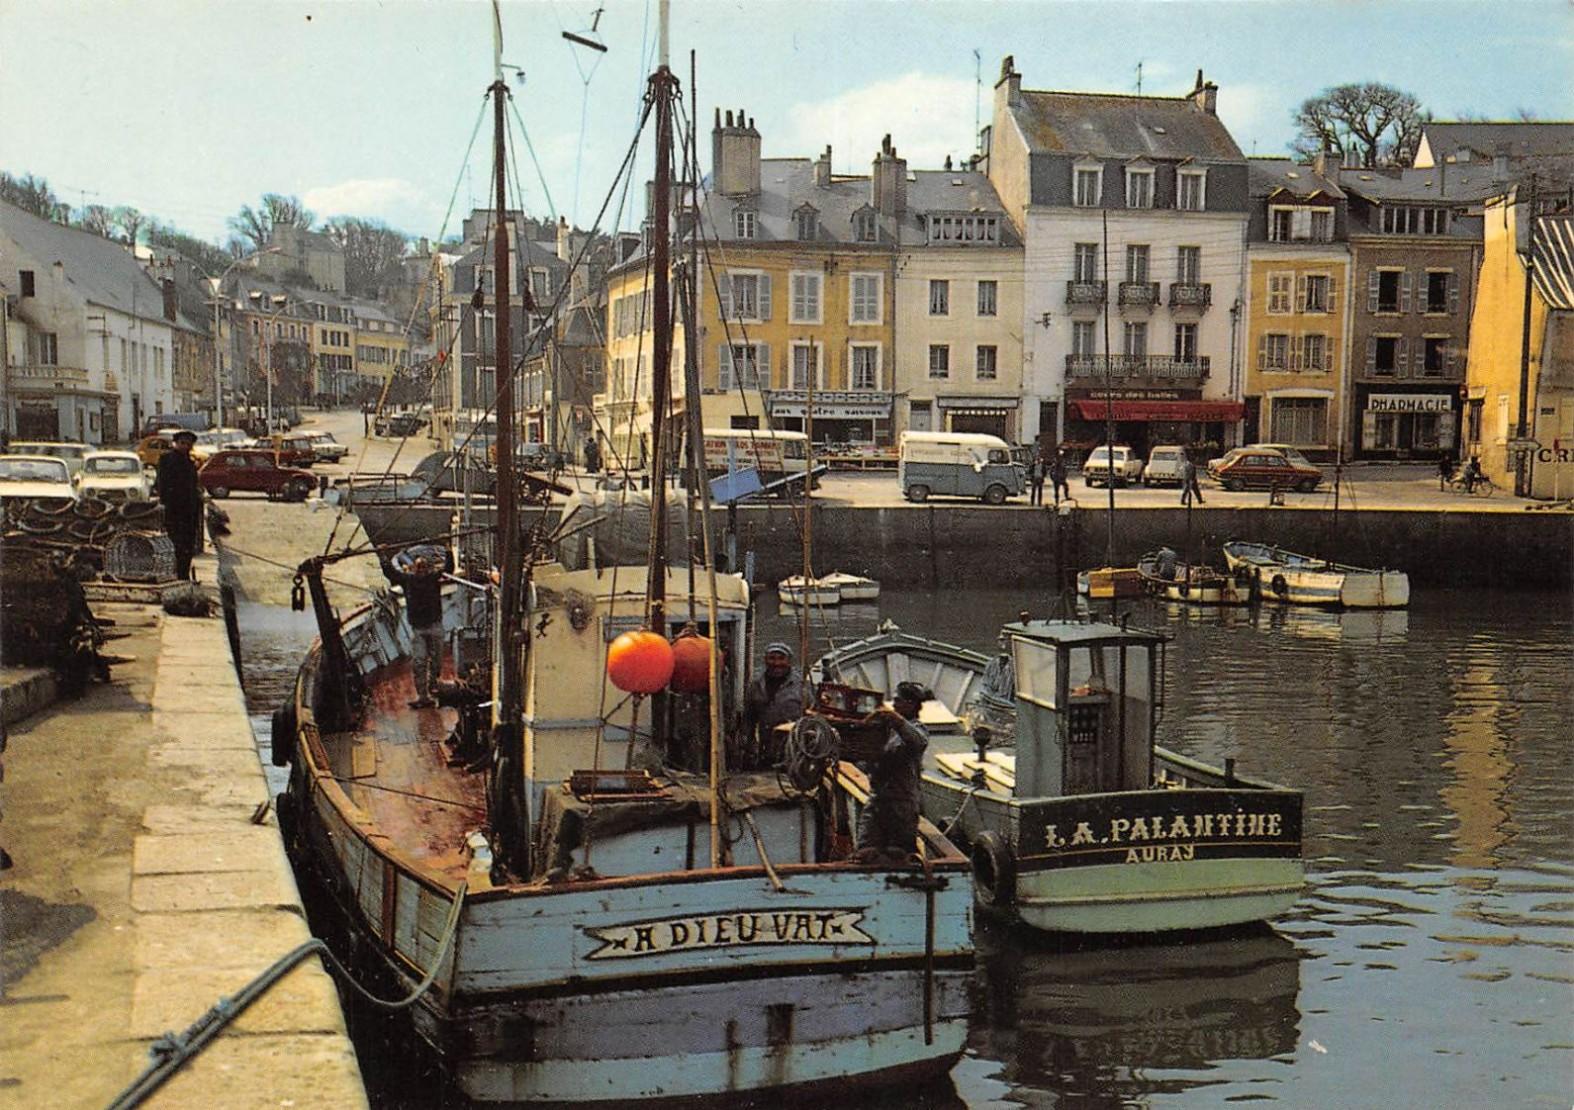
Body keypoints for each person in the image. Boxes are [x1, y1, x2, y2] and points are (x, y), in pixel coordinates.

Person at [853, 681, 930, 865]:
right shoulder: (887, 732)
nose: (894, 705)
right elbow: (868, 760)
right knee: (864, 849)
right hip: (878, 799)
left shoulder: (917, 729)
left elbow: (918, 742)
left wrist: (897, 720)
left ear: (911, 704)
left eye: (898, 701)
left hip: (902, 804)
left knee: (899, 854)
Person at [381, 546, 451, 709]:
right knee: (419, 662)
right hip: (418, 629)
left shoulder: (433, 578)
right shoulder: (408, 580)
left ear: (427, 569)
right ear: (414, 569)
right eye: (419, 567)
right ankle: (423, 696)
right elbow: (390, 573)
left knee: (436, 661)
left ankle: (433, 685)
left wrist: (448, 552)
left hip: (434, 626)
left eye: (423, 567)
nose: (421, 570)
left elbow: (449, 568)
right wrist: (383, 557)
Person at [742, 642, 806, 764]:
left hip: (793, 746)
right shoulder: (756, 684)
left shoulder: (801, 685)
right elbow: (749, 718)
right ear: (765, 660)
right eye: (772, 658)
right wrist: (747, 744)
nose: (776, 663)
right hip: (766, 745)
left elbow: (812, 714)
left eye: (781, 659)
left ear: (789, 661)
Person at [154, 429, 203, 580]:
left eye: (189, 444)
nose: (185, 446)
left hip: (189, 513)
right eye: (183, 443)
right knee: (173, 546)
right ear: (176, 443)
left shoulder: (190, 463)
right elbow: (161, 485)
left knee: (187, 547)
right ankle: (174, 576)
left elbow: (193, 487)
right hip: (173, 512)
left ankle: (183, 576)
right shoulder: (166, 460)